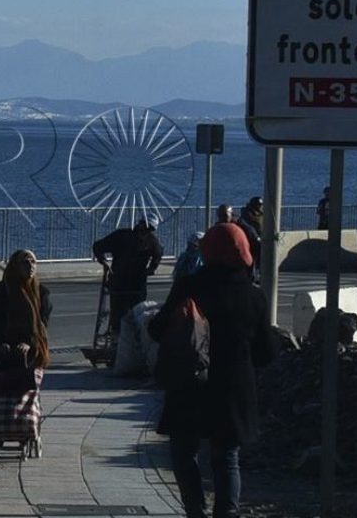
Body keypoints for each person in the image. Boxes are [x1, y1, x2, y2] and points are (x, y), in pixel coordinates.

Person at [148, 222, 275, 518]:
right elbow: (265, 352)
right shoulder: (254, 296)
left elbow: (158, 329)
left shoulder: (189, 287)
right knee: (227, 458)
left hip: (190, 383)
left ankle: (195, 510)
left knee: (183, 451)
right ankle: (226, 513)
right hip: (232, 388)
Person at [92, 217, 164, 334]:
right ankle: (115, 340)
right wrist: (104, 262)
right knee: (118, 317)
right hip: (119, 282)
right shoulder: (122, 235)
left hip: (137, 285)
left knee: (137, 316)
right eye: (144, 227)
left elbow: (158, 254)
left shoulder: (151, 241)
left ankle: (133, 340)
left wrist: (150, 269)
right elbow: (98, 246)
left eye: (149, 230)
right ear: (139, 224)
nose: (144, 232)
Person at [0, 249, 53, 372]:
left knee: (26, 386)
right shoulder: (1, 290)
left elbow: (41, 325)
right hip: (4, 346)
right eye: (25, 262)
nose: (31, 266)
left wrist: (29, 343)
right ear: (16, 266)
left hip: (31, 347)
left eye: (34, 262)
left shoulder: (42, 293)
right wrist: (0, 342)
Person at [235, 197, 263, 281]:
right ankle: (250, 277)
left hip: (259, 239)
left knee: (258, 260)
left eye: (261, 205)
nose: (260, 206)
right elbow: (249, 228)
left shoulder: (261, 213)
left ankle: (256, 276)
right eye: (259, 205)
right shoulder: (247, 214)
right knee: (250, 260)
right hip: (250, 240)